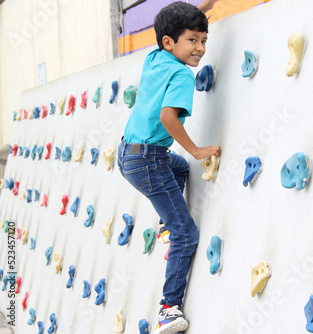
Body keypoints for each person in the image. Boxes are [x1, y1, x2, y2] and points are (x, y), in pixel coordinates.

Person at [117, 1, 220, 333]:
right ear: (170, 42)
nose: (200, 48)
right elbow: (167, 117)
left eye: (204, 39)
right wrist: (197, 150)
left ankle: (164, 223)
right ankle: (168, 308)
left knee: (179, 169)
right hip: (147, 160)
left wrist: (204, 9)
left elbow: (170, 25)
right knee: (186, 233)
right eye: (193, 40)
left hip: (128, 154)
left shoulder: (156, 57)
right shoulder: (180, 74)